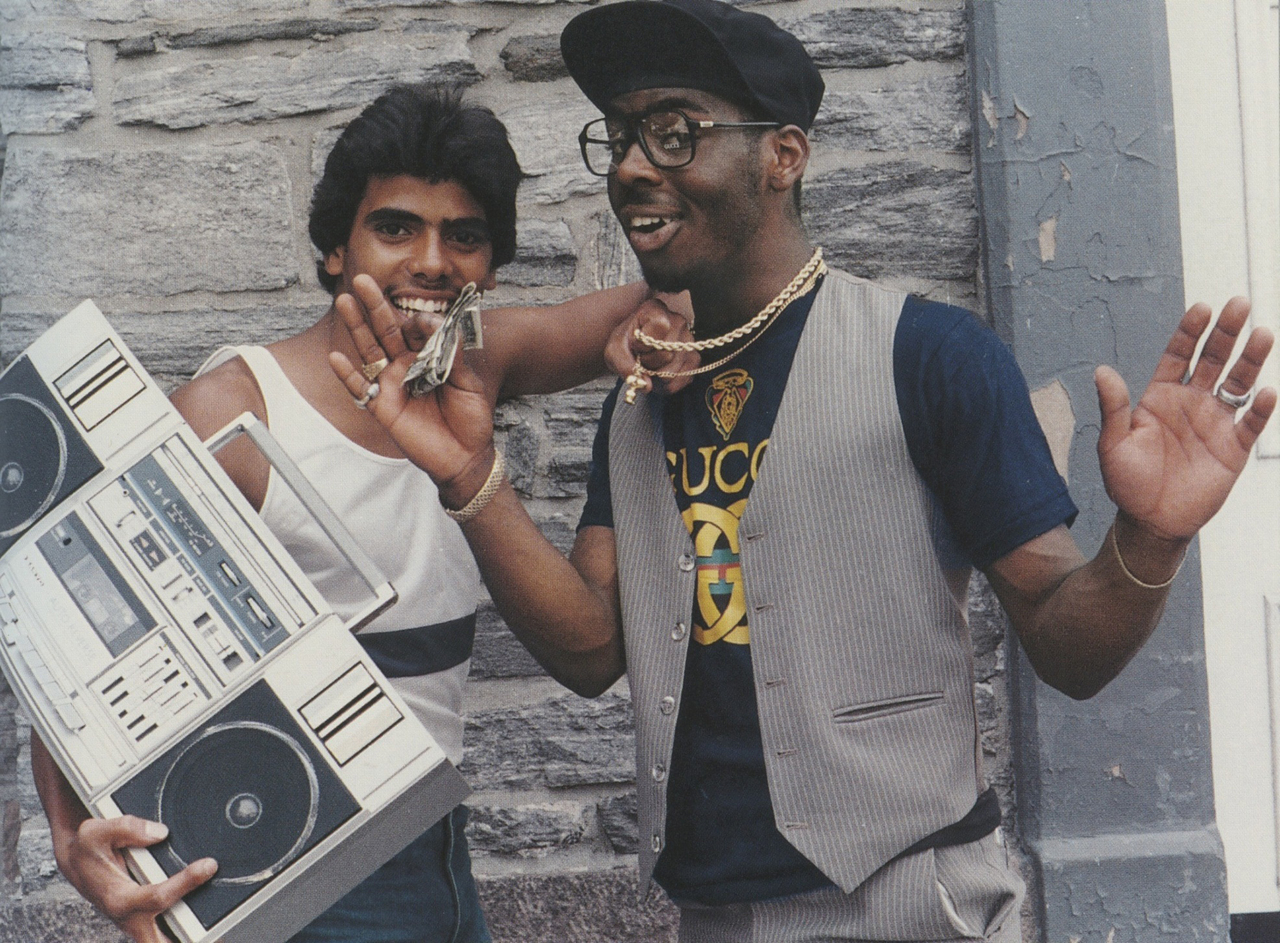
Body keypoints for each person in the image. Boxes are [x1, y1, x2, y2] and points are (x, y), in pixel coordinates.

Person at [331, 3, 1276, 940]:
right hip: (708, 908)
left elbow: (1068, 648)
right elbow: (591, 650)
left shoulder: (930, 355)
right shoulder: (642, 390)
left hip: (902, 901)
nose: (629, 167)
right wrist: (471, 476)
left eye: (671, 133)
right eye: (619, 138)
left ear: (783, 156)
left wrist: (1150, 533)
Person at [29, 83, 671, 943]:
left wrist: (666, 319)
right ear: (337, 248)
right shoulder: (236, 412)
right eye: (396, 227)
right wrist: (78, 846)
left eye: (466, 236)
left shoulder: (476, 359)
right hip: (298, 857)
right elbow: (71, 633)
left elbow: (669, 294)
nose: (433, 262)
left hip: (438, 848)